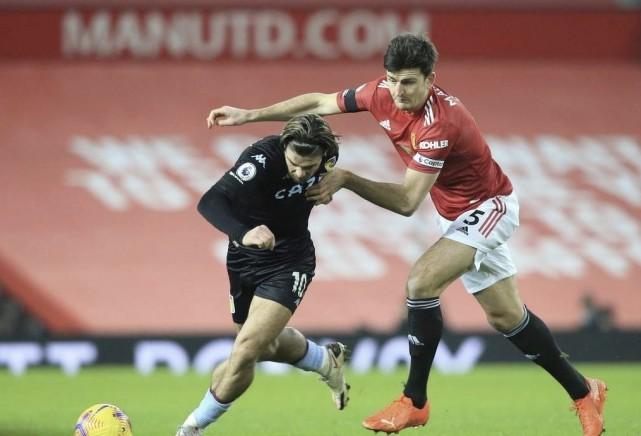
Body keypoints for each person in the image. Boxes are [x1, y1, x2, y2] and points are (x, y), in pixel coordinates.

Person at [205, 34, 607, 436]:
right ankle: (584, 391)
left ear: (430, 79)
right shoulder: (381, 92)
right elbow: (320, 102)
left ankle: (414, 401)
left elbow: (407, 201)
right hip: (454, 216)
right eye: (393, 80)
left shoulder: (440, 123)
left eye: (409, 82)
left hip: (488, 207)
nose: (398, 91)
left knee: (421, 282)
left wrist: (347, 178)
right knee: (506, 316)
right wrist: (249, 115)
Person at [176, 114, 349, 436]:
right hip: (244, 257)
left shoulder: (329, 157)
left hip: (290, 260)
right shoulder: (260, 160)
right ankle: (325, 360)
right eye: (294, 164)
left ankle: (191, 427)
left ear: (323, 156)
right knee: (263, 348)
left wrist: (331, 185)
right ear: (284, 148)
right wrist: (244, 233)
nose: (300, 173)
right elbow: (210, 201)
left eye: (309, 167)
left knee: (244, 351)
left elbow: (333, 175)